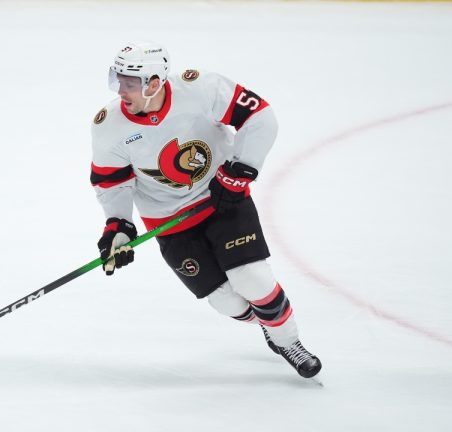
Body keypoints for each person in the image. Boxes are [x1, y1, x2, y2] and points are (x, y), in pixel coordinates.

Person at [90, 41, 322, 378]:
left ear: (154, 83)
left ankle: (287, 340)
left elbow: (260, 117)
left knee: (253, 279)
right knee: (227, 302)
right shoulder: (107, 126)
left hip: (222, 198)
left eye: (130, 83)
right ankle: (268, 321)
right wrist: (118, 226)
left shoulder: (200, 88)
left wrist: (240, 171)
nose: (120, 90)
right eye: (117, 80)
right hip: (169, 221)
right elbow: (111, 182)